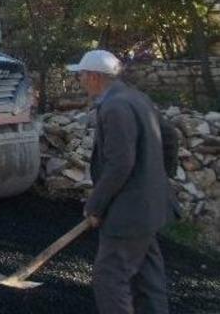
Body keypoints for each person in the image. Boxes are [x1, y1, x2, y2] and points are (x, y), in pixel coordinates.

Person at [67, 50, 170, 314]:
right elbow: (170, 137)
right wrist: (156, 179)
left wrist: (96, 206)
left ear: (93, 77)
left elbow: (120, 163)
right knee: (149, 282)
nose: (79, 82)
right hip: (150, 208)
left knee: (110, 279)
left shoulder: (114, 107)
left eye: (80, 76)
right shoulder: (137, 97)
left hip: (128, 214)